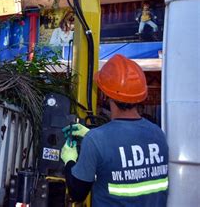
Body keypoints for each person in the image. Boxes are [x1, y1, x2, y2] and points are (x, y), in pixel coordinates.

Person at [61, 54, 169, 206]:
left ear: (105, 95)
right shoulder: (158, 134)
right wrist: (90, 135)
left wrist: (69, 160)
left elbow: (77, 193)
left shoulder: (97, 140)